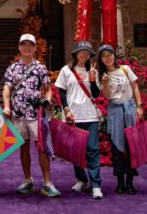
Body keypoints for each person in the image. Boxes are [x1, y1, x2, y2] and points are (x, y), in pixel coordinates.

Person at [2, 34, 61, 198]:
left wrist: (47, 101)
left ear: (35, 48)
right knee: (24, 147)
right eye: (24, 44)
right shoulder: (12, 68)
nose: (27, 47)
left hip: (36, 113)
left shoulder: (40, 67)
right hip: (18, 113)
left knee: (41, 147)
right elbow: (6, 89)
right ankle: (27, 180)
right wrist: (6, 106)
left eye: (30, 44)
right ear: (19, 47)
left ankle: (47, 182)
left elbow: (47, 88)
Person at [54, 40, 103, 200]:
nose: (84, 55)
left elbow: (96, 94)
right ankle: (82, 179)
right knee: (76, 151)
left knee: (92, 150)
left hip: (90, 116)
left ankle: (95, 185)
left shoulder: (92, 71)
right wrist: (66, 110)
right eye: (81, 51)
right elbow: (62, 92)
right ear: (75, 53)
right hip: (73, 116)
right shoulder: (66, 70)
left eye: (87, 53)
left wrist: (93, 80)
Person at [97, 44, 144, 195]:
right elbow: (107, 96)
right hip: (115, 111)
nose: (108, 58)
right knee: (117, 147)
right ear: (100, 59)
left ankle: (130, 181)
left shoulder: (125, 69)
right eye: (104, 55)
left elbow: (135, 87)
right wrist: (105, 83)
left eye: (110, 54)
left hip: (129, 109)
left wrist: (139, 106)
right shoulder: (102, 76)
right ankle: (120, 181)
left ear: (114, 55)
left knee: (131, 146)